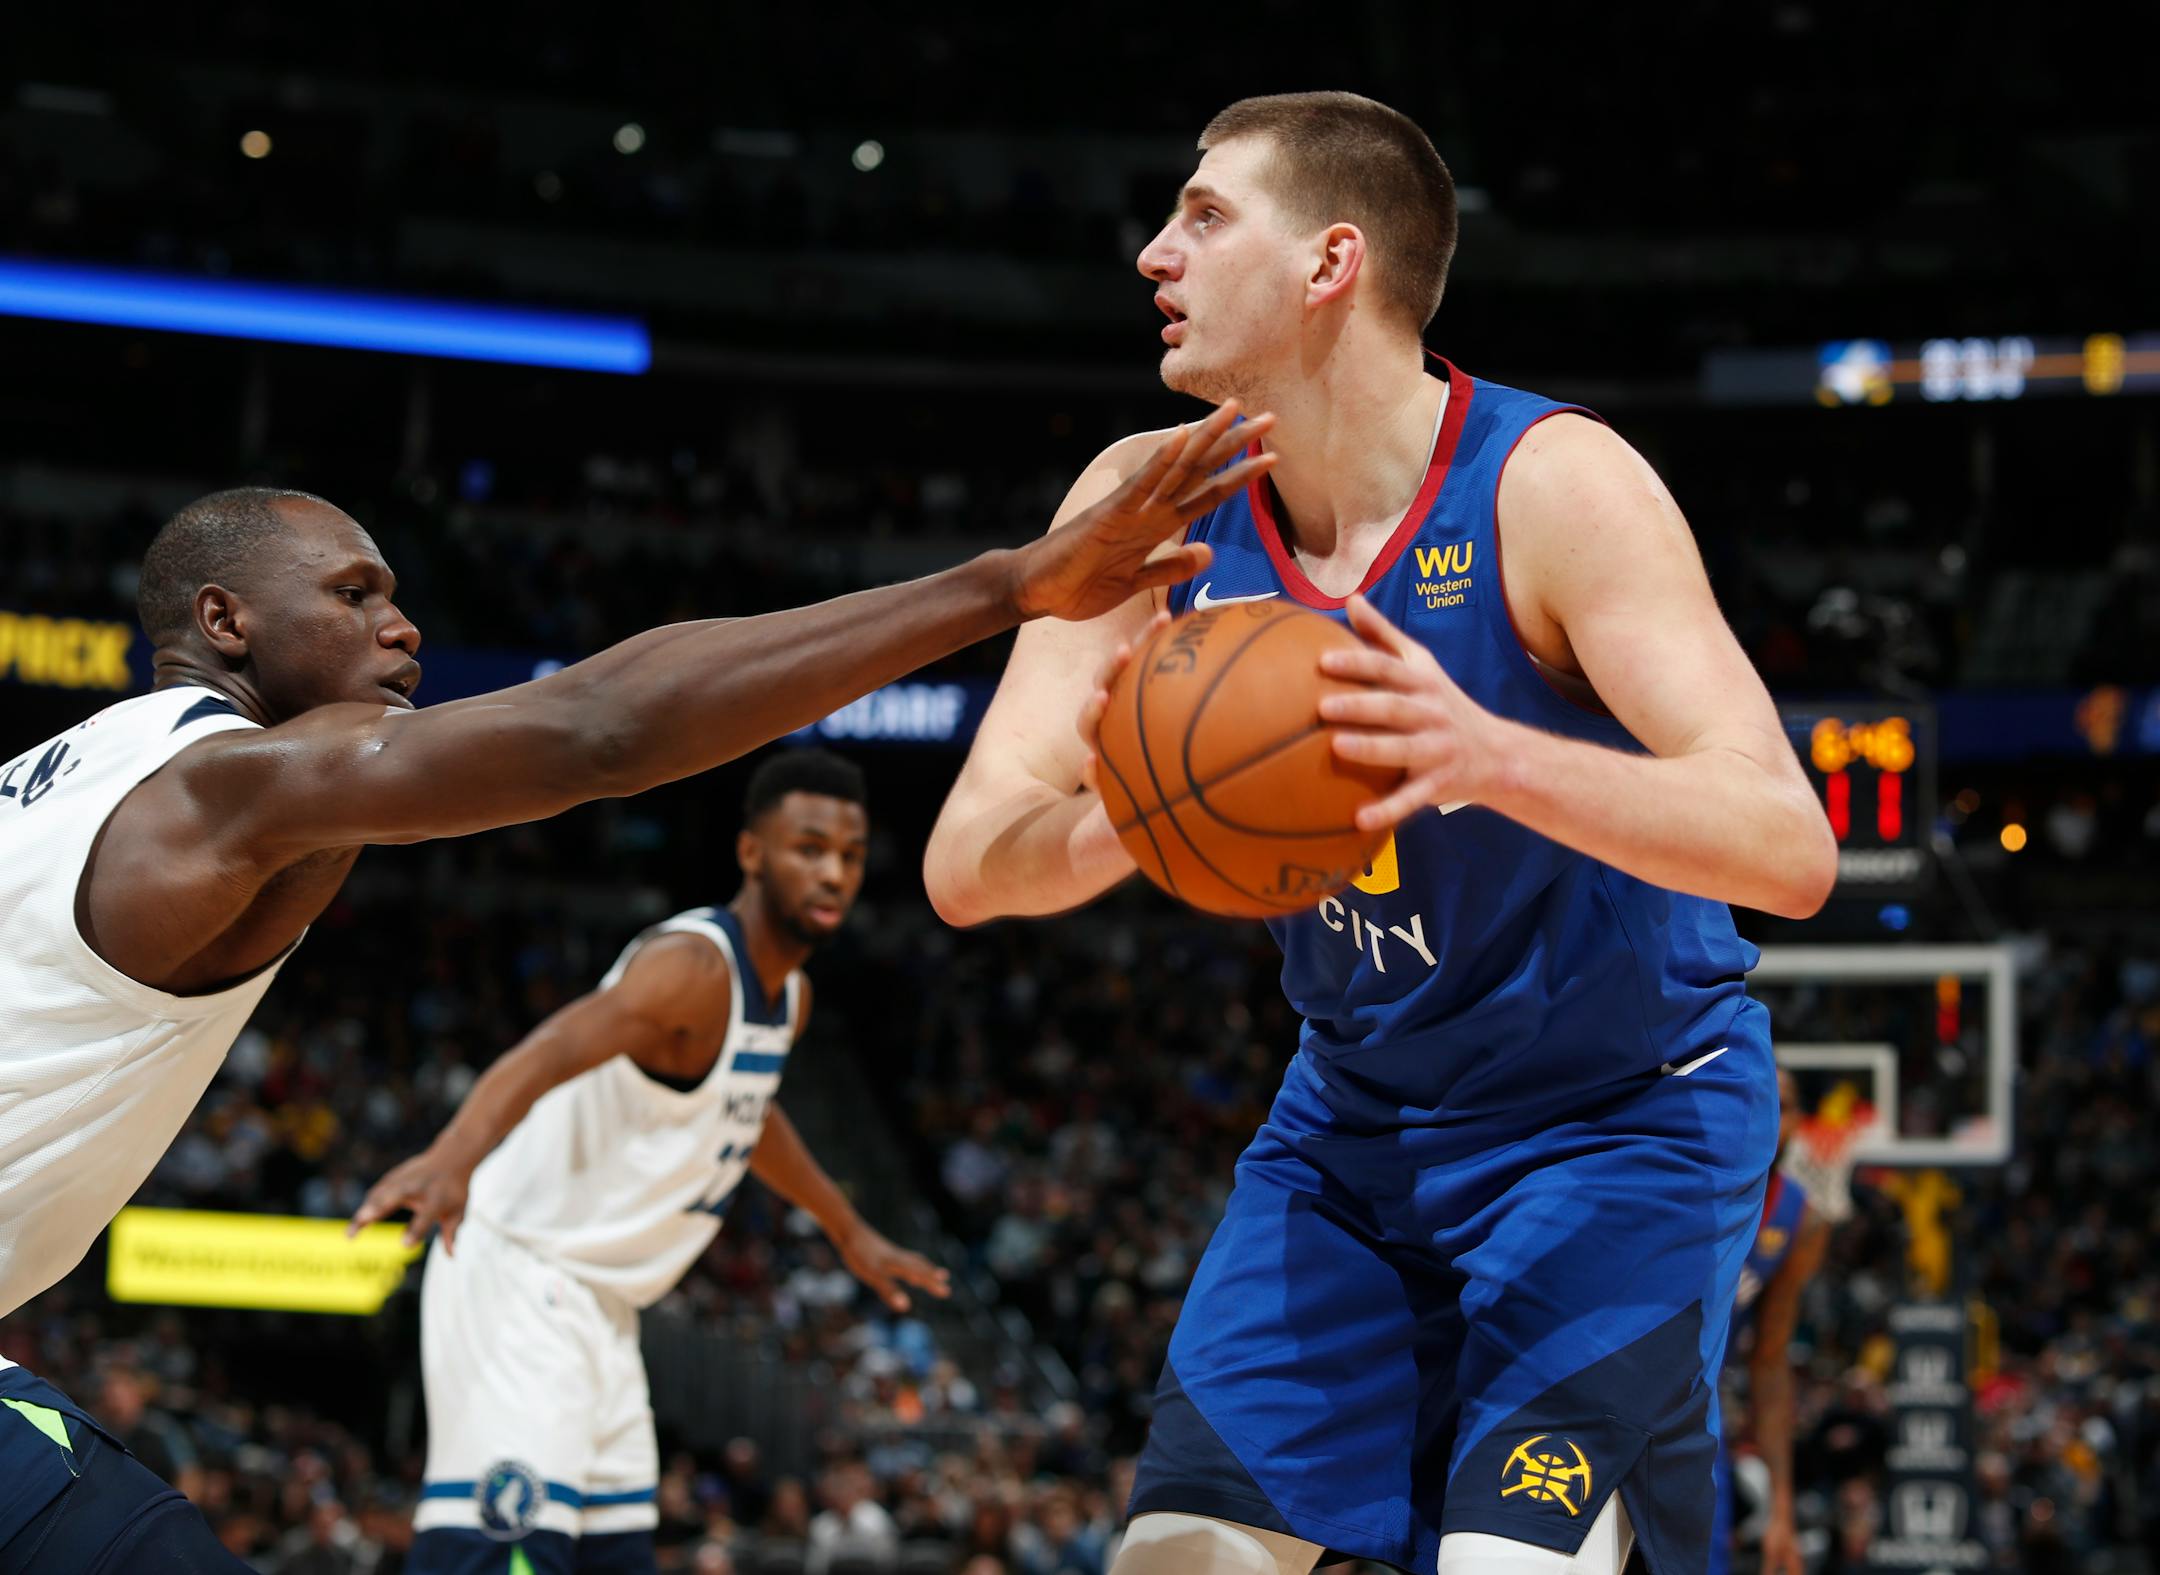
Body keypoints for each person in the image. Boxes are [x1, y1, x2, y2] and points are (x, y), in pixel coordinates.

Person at [0, 413, 1265, 1570]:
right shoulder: (225, 789)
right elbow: (597, 728)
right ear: (225, 624)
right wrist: (1007, 585)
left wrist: (844, 1223)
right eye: (353, 595)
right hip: (532, 1285)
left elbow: (741, 1104)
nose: (405, 626)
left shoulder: (60, 771)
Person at [925, 91, 1836, 1575]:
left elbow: (1786, 844)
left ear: (1331, 263)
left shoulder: (1555, 486)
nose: (1156, 251)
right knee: (1172, 1562)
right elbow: (970, 865)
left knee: (1504, 1562)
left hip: (1618, 1123)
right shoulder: (1142, 505)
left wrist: (1485, 755)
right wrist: (1147, 814)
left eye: (1206, 216)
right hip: (1353, 1129)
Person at [350, 748, 945, 1571]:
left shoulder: (789, 999)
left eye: (848, 854)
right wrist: (453, 1156)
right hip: (520, 1273)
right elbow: (552, 1045)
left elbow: (748, 1110)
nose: (834, 872)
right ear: (752, 852)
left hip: (601, 1302)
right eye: (809, 847)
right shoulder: (693, 967)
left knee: (619, 1553)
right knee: (498, 1549)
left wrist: (849, 1230)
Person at [1712, 1069, 1844, 1575]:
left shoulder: (1800, 1218)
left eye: (1784, 1104)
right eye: (1757, 1096)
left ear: (1798, 1121)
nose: (1769, 1114)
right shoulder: (1684, 1183)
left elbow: (1769, 1365)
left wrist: (1781, 1510)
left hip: (1697, 1422)